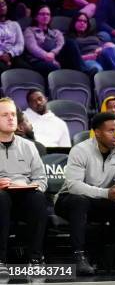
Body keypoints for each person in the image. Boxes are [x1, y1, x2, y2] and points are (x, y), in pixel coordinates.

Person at [54, 112, 115, 275]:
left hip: (101, 200)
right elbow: (74, 186)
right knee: (79, 201)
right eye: (110, 131)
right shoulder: (80, 150)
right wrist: (106, 193)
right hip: (69, 199)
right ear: (97, 132)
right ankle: (79, 257)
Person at [0, 97, 48, 275]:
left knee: (37, 198)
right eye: (5, 115)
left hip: (24, 196)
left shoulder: (29, 146)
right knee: (1, 197)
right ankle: (1, 260)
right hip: (1, 197)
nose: (11, 118)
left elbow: (42, 179)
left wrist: (35, 186)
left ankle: (35, 259)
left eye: (13, 114)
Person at [66, 12, 115, 76]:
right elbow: (71, 59)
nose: (82, 23)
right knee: (98, 69)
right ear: (74, 22)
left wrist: (101, 48)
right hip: (87, 60)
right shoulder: (70, 39)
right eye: (79, 20)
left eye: (85, 22)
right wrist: (87, 57)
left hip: (100, 56)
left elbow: (101, 45)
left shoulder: (92, 35)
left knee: (110, 45)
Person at [23, 5, 64, 75]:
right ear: (36, 17)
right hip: (37, 60)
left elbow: (60, 44)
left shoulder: (56, 32)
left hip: (54, 58)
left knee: (70, 43)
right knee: (53, 67)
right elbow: (32, 48)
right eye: (42, 14)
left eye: (48, 14)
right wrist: (48, 57)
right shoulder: (29, 30)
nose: (45, 16)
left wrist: (53, 53)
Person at [0, 0, 30, 74]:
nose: (1, 7)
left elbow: (20, 44)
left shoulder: (14, 24)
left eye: (3, 4)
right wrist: (2, 56)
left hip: (13, 55)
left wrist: (10, 54)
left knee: (28, 70)